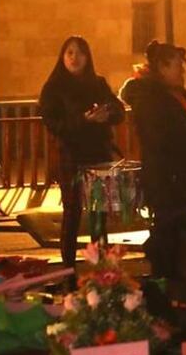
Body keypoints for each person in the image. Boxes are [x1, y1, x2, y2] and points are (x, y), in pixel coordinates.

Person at [39, 36, 125, 269]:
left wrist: (107, 114)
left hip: (98, 155)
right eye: (70, 53)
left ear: (88, 57)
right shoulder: (54, 87)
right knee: (72, 212)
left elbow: (119, 110)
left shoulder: (97, 84)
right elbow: (52, 122)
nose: (75, 58)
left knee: (99, 213)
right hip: (71, 157)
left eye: (80, 53)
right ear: (62, 57)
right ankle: (68, 270)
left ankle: (101, 268)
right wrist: (83, 120)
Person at [120, 40, 186, 228]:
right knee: (169, 230)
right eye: (178, 66)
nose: (182, 72)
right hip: (166, 179)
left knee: (184, 229)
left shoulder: (178, 94)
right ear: (162, 67)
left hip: (184, 176)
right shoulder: (149, 98)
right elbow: (159, 138)